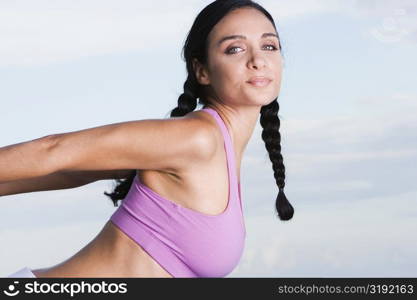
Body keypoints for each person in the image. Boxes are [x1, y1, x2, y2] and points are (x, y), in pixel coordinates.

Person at [2, 0, 293, 278]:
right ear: (202, 71)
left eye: (269, 46)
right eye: (235, 49)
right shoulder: (198, 138)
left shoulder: (216, 149)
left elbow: (69, 172)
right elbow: (53, 151)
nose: (258, 60)